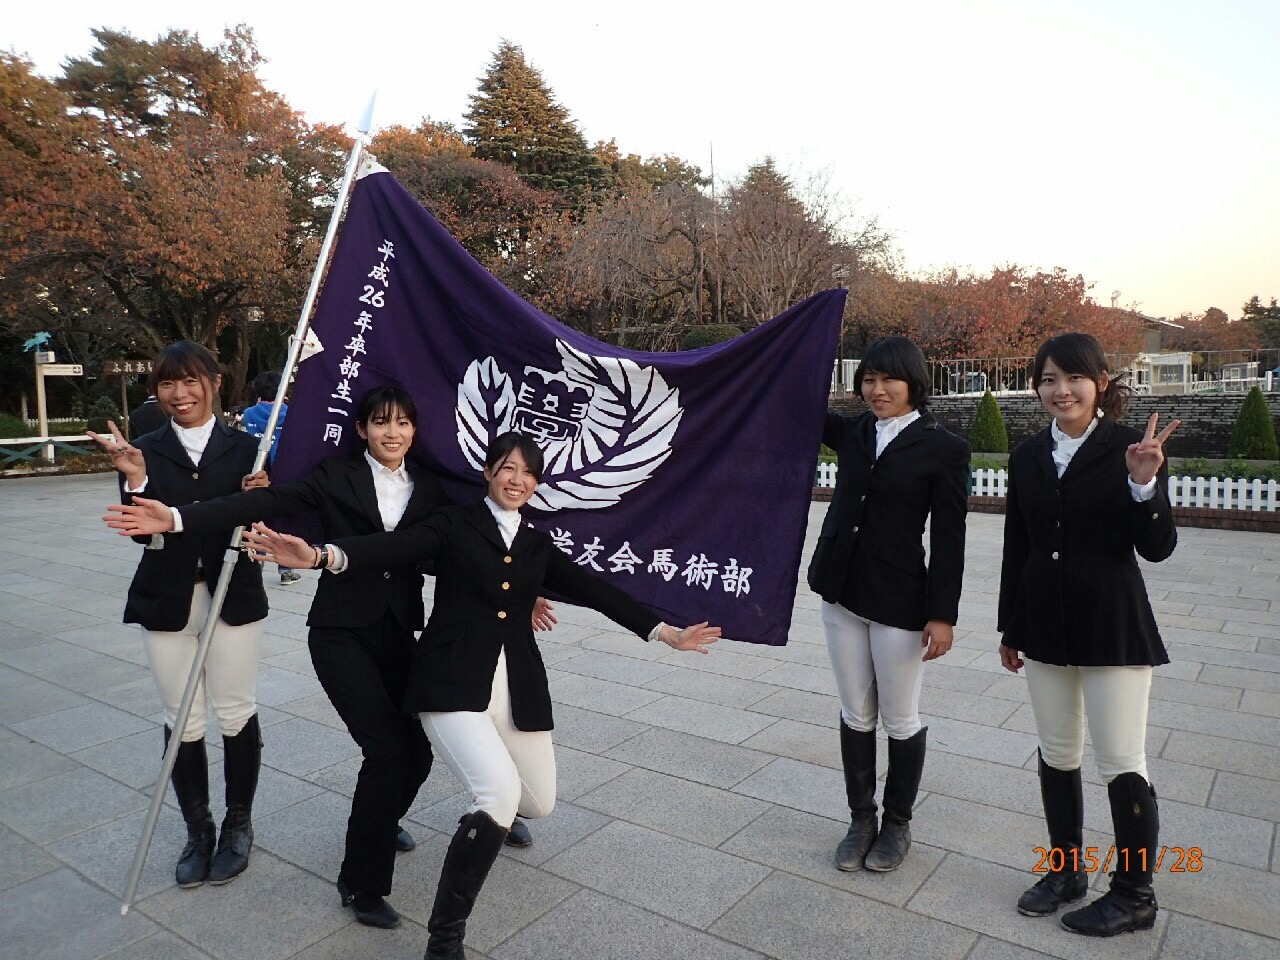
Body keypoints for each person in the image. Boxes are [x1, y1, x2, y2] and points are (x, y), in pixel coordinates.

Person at [240, 431, 720, 960]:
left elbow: (595, 589)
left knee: (537, 802)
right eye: (507, 468)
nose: (517, 480)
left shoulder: (535, 544)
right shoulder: (452, 523)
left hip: (514, 687)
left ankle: (487, 812)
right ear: (488, 472)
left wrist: (665, 633)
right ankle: (445, 939)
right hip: (450, 683)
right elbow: (389, 547)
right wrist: (320, 556)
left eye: (528, 473)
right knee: (498, 795)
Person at [105, 387, 548, 929]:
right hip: (340, 634)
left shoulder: (429, 487)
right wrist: (176, 518)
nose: (392, 433)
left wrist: (519, 594)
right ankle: (361, 883)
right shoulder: (336, 475)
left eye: (402, 423)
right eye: (381, 423)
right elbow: (261, 503)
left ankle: (380, 819)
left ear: (414, 431)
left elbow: (464, 544)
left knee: (417, 752)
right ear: (361, 430)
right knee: (387, 750)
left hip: (399, 632)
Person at [999, 332, 1178, 937]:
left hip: (1111, 626)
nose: (1061, 390)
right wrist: (1011, 627)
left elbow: (1158, 548)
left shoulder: (1132, 449)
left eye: (1073, 377)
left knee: (1122, 759)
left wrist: (1143, 485)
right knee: (1056, 752)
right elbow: (1018, 546)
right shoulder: (1027, 455)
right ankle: (1066, 871)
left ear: (1100, 382)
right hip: (1044, 625)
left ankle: (1134, 893)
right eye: (1048, 379)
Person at [89, 341, 266, 890]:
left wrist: (262, 499)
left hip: (232, 595)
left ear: (214, 382)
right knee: (181, 716)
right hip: (167, 598)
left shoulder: (250, 450)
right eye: (168, 383)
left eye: (191, 381)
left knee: (234, 711)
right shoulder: (142, 450)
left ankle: (238, 825)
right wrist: (137, 482)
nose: (180, 393)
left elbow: (265, 524)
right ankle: (199, 829)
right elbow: (142, 535)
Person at [807, 335, 969, 874]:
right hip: (841, 589)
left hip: (900, 597)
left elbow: (949, 537)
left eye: (888, 380)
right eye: (869, 380)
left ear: (913, 383)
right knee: (856, 711)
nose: (877, 390)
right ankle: (861, 820)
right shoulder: (853, 431)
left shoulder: (944, 447)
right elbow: (794, 404)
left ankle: (897, 823)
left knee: (899, 717)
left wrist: (942, 614)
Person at [238, 371, 299, 584]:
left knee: (255, 519)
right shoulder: (291, 414)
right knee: (283, 519)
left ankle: (257, 561)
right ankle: (286, 569)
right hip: (284, 474)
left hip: (255, 473)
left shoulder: (249, 414)